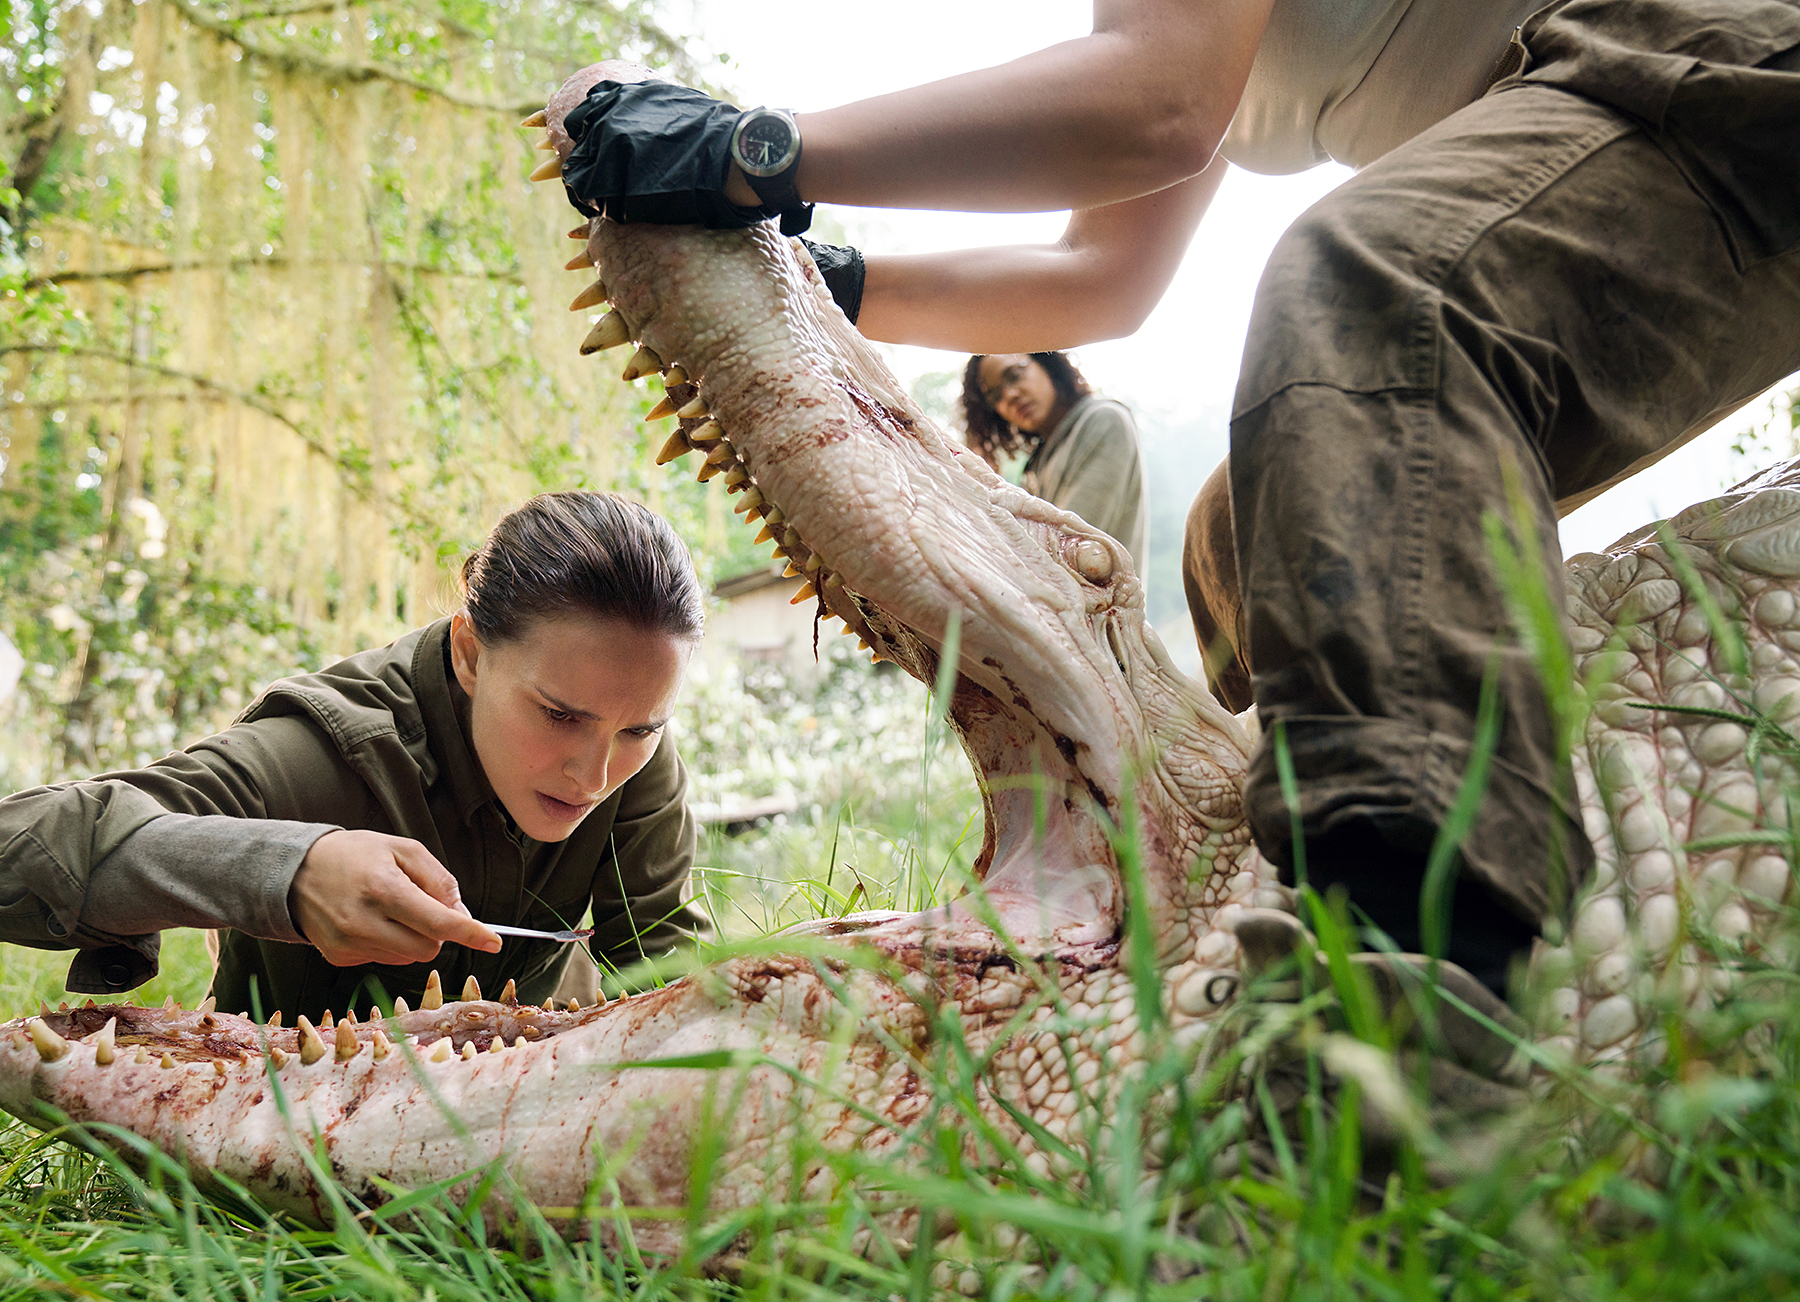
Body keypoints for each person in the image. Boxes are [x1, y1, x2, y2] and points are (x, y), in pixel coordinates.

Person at [555, 0, 1800, 999]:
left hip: (1701, 57)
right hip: (1592, 125)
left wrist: (752, 154)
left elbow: (1152, 106)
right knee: (1251, 528)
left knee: (1368, 289)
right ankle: (1243, 880)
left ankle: (1408, 978)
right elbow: (1104, 276)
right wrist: (825, 284)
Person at [0, 492, 709, 1019]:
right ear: (469, 652)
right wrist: (286, 873)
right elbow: (16, 845)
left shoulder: (634, 748)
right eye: (560, 716)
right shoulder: (328, 750)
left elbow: (672, 982)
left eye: (639, 730)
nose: (595, 774)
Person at [961, 351, 1148, 572]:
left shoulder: (1104, 421)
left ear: (1046, 363)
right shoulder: (1039, 461)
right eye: (995, 396)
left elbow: (1069, 551)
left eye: (1014, 375)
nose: (1009, 395)